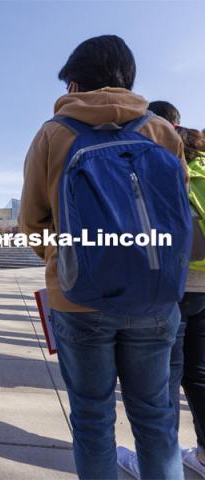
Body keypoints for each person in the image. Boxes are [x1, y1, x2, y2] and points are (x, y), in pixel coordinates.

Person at [20, 35, 188, 479]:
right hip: (155, 296)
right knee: (157, 419)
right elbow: (179, 212)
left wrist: (64, 260)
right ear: (127, 79)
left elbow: (31, 220)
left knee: (93, 421)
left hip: (79, 300)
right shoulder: (161, 131)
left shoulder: (54, 133)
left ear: (74, 84)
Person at [117, 108, 205, 478]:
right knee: (200, 374)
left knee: (162, 378)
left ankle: (159, 461)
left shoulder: (161, 167)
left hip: (172, 285)